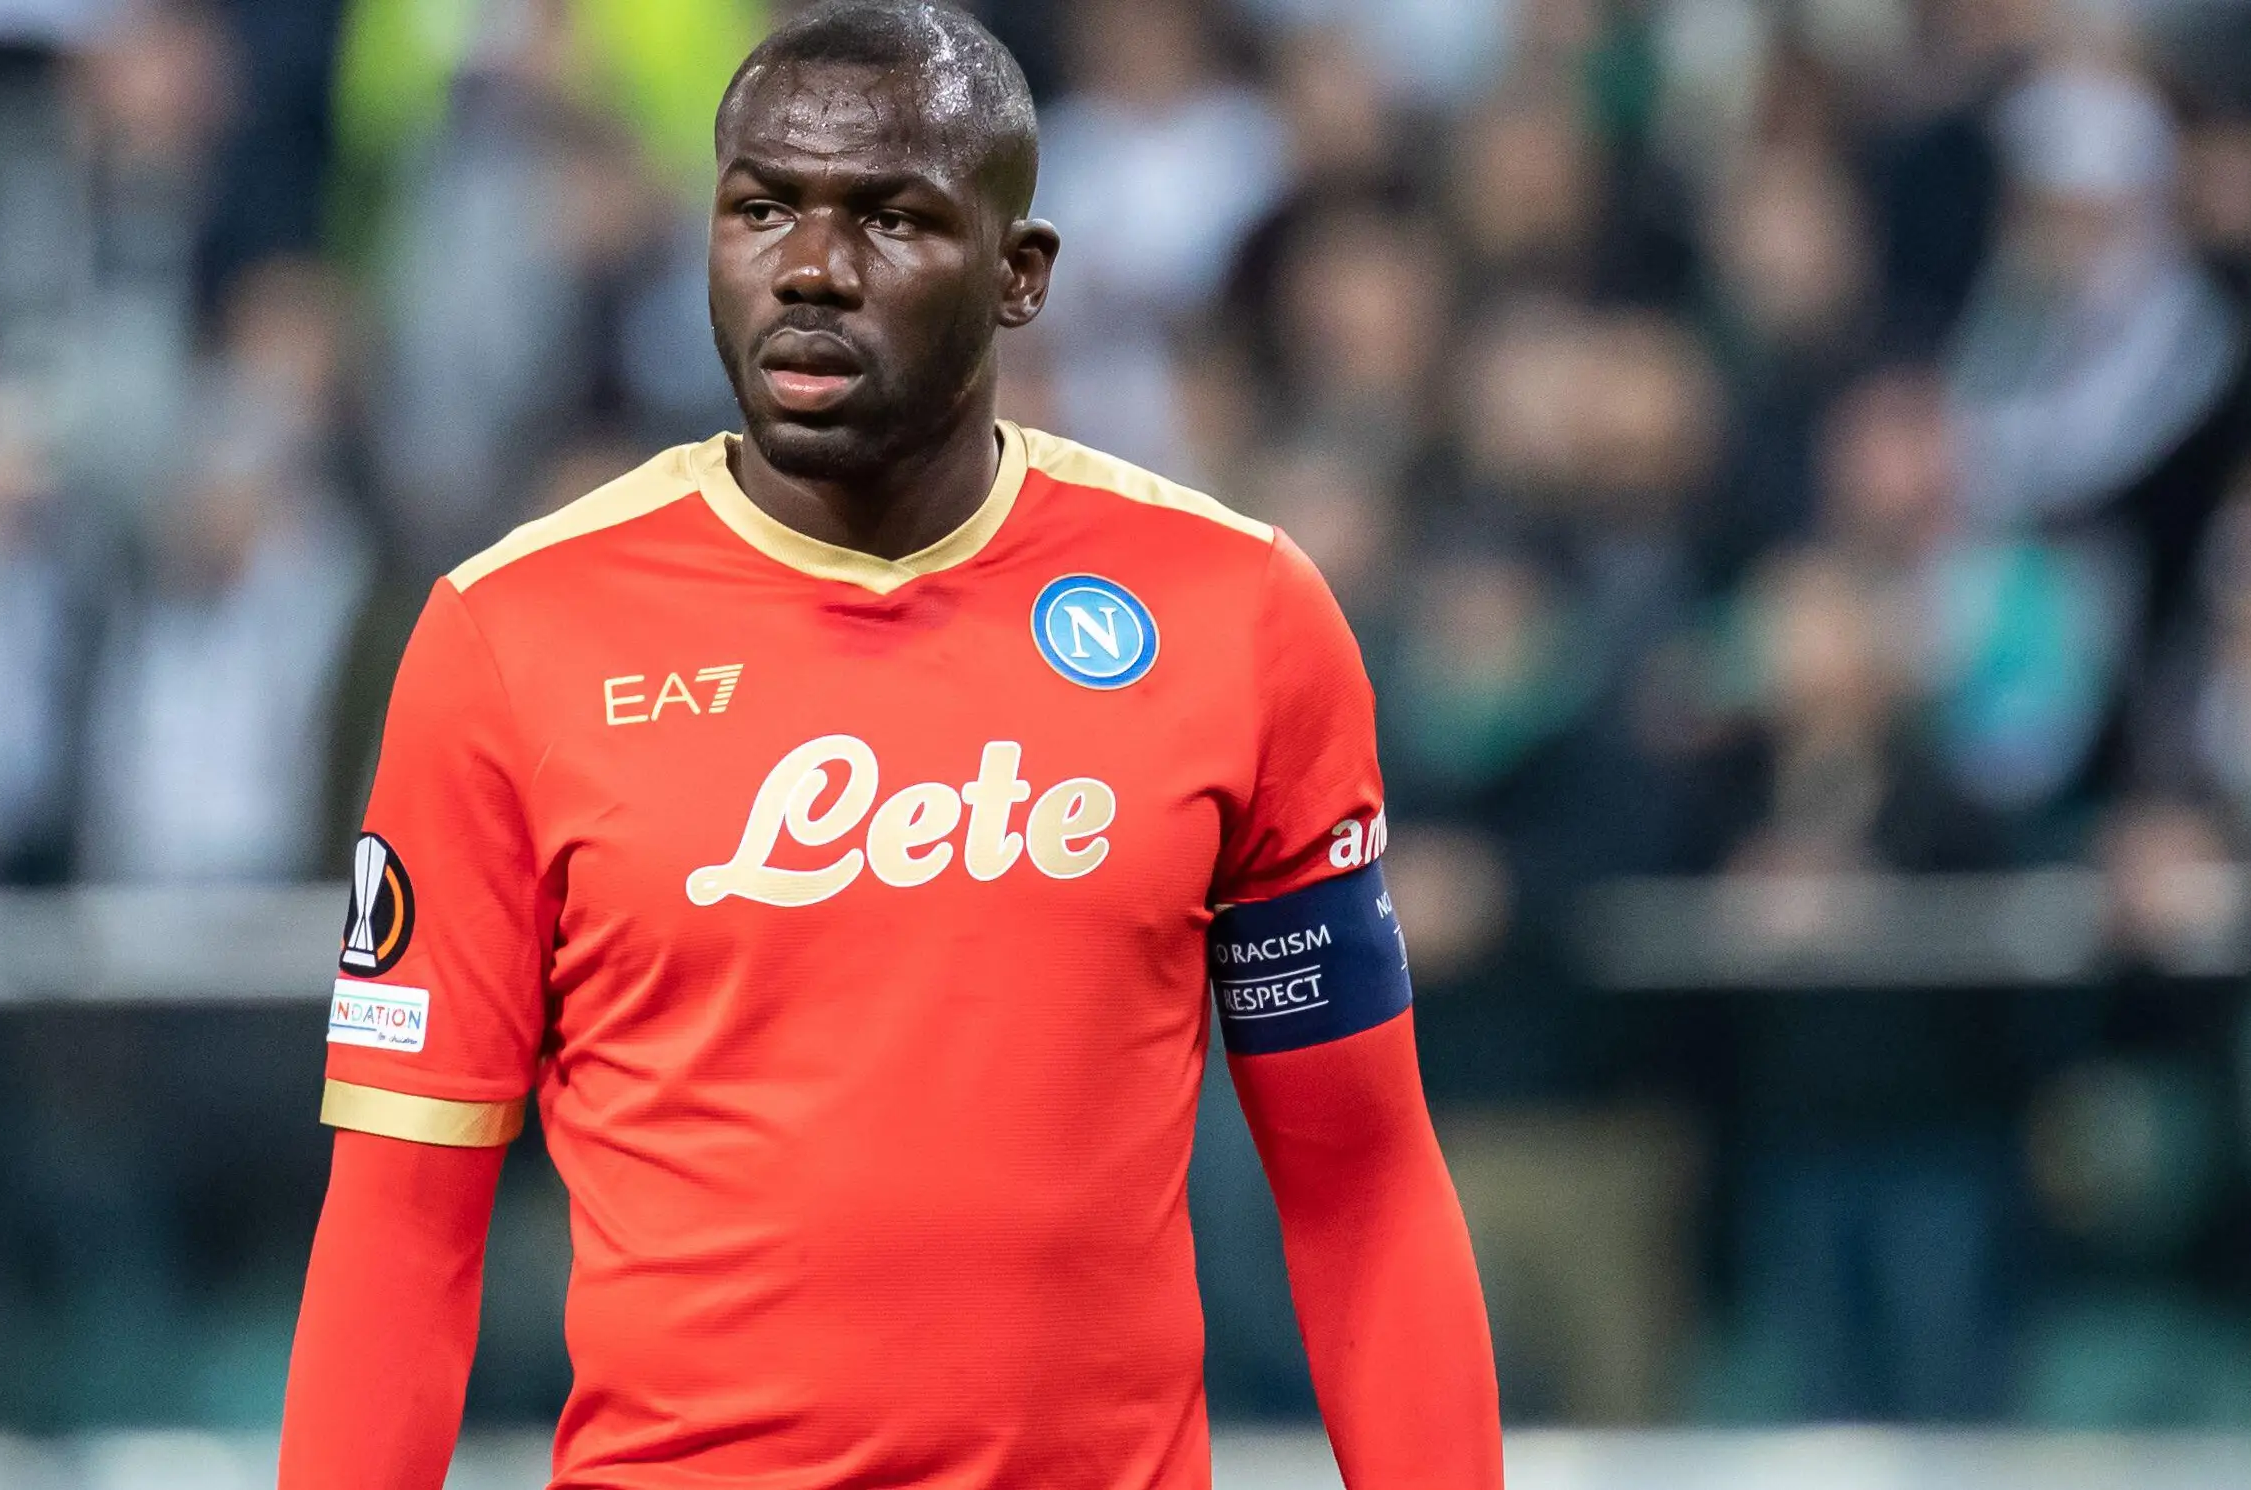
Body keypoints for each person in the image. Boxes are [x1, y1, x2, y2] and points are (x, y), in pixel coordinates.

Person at [277, 5, 1499, 1487]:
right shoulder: (508, 637)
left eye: (892, 217)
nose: (809, 267)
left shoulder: (1238, 616)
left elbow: (1360, 1181)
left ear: (1019, 276)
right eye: (762, 208)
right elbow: (403, 1221)